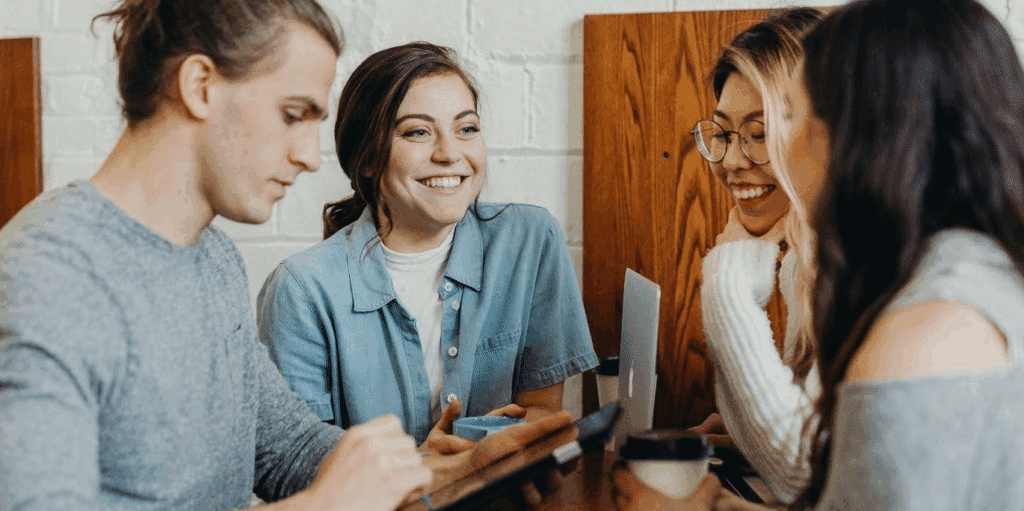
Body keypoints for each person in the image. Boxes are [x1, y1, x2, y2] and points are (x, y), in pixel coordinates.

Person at [0, 1, 574, 509]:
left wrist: (444, 473)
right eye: (293, 114)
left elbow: (286, 449)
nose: (307, 156)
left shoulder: (212, 260)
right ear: (200, 86)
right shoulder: (48, 278)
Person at [616, 0, 1024, 509]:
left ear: (865, 136)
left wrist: (726, 290)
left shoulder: (922, 334)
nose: (788, 147)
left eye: (790, 117)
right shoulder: (966, 272)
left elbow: (806, 473)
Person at [257, 41, 599, 452]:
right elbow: (300, 464)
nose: (450, 153)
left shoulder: (529, 241)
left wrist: (487, 456)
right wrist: (426, 469)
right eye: (417, 132)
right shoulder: (301, 289)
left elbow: (543, 413)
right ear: (367, 158)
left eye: (467, 128)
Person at [689, 8, 823, 504]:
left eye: (760, 134)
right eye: (722, 134)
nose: (732, 161)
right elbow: (817, 448)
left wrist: (726, 283)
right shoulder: (801, 259)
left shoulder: (863, 263)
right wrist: (749, 433)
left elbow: (803, 474)